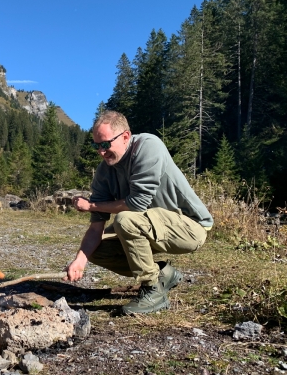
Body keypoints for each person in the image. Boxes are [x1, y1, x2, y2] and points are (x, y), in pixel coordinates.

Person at [65, 111, 213, 314]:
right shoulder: (104, 173)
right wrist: (79, 261)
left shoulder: (148, 146)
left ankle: (152, 290)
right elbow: (95, 228)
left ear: (125, 137)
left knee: (125, 220)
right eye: (96, 145)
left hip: (189, 226)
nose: (101, 151)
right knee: (95, 249)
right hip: (149, 226)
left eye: (105, 144)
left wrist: (91, 206)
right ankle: (162, 274)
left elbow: (137, 204)